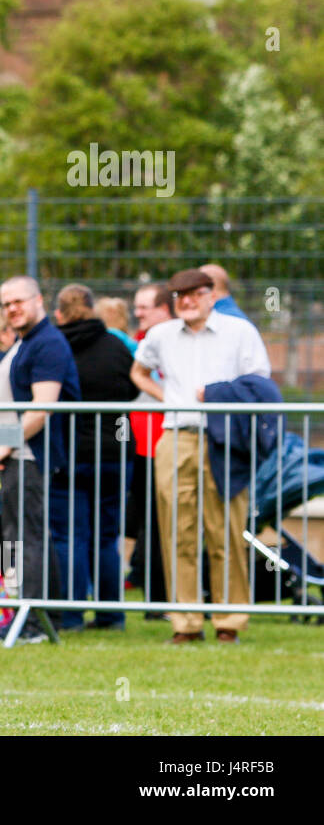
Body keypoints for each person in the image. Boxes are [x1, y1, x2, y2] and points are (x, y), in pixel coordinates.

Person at [131, 268, 270, 644]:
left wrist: (217, 396)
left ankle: (230, 622)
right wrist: (169, 400)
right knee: (177, 532)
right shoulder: (161, 335)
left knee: (225, 531)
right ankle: (186, 623)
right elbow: (139, 372)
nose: (187, 301)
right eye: (180, 295)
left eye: (195, 293)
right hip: (176, 436)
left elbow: (258, 382)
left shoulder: (239, 332)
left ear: (211, 295)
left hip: (225, 438)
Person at [0, 275, 79, 643]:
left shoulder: (47, 343)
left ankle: (34, 623)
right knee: (27, 536)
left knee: (27, 538)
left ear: (38, 300)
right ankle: (41, 620)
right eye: (7, 303)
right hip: (21, 457)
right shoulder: (28, 342)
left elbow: (41, 408)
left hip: (30, 456)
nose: (13, 308)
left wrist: (5, 446)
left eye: (19, 301)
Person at [50, 284, 136, 631]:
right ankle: (110, 614)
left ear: (60, 313)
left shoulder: (57, 346)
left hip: (69, 451)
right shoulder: (116, 346)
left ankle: (70, 614)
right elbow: (131, 389)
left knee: (70, 535)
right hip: (114, 453)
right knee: (105, 536)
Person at [127, 282, 174, 611]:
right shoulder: (143, 341)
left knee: (166, 523)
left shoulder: (174, 341)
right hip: (142, 446)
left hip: (167, 441)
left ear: (164, 308)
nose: (137, 313)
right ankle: (155, 597)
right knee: (149, 523)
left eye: (144, 307)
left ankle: (164, 598)